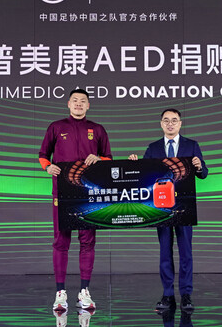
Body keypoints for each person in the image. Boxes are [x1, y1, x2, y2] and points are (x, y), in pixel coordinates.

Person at [39, 88, 112, 312]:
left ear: (88, 105)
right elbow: (43, 155)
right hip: (62, 192)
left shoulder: (97, 129)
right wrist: (48, 167)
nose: (79, 104)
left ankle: (84, 292)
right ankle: (60, 293)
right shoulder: (56, 127)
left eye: (83, 101)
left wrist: (98, 159)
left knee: (87, 241)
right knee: (61, 241)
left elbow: (108, 158)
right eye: (75, 100)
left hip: (88, 192)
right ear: (68, 104)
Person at [129, 108, 208, 313]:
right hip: (161, 207)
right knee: (165, 252)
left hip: (184, 207)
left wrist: (199, 166)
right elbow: (143, 176)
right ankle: (167, 294)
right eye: (166, 120)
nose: (170, 124)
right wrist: (135, 165)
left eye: (174, 120)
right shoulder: (153, 148)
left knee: (186, 252)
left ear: (180, 123)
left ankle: (186, 295)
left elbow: (203, 174)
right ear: (161, 124)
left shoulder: (192, 145)